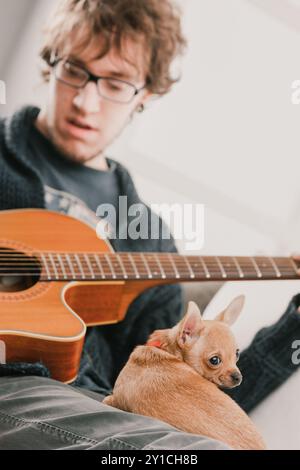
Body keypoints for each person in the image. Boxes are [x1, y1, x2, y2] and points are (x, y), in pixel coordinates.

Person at [0, 0, 300, 450]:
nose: (86, 100)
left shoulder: (146, 236)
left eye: (116, 83)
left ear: (147, 95)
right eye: (74, 70)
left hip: (89, 404)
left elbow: (191, 391)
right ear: (51, 63)